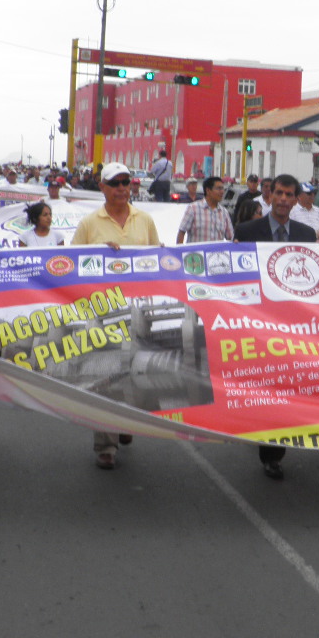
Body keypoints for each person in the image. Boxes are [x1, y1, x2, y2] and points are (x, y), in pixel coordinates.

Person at [71, 162, 161, 469]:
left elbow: (156, 261)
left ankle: (125, 422)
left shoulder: (145, 220)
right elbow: (71, 265)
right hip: (102, 311)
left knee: (134, 371)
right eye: (115, 183)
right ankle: (105, 445)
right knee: (105, 375)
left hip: (138, 311)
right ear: (103, 187)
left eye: (127, 182)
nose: (122, 188)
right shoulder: (89, 224)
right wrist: (97, 251)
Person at [234, 174, 318, 479]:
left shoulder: (307, 235)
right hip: (256, 321)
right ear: (271, 196)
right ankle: (260, 432)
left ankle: (273, 453)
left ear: (297, 199)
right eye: (279, 193)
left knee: (285, 386)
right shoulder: (246, 231)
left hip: (293, 323)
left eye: (289, 194)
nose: (283, 199)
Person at [176, 176, 234, 244]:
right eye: (218, 189)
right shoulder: (193, 208)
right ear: (208, 190)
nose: (222, 192)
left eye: (222, 189)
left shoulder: (224, 212)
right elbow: (181, 232)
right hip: (196, 254)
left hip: (216, 254)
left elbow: (230, 238)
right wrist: (179, 252)